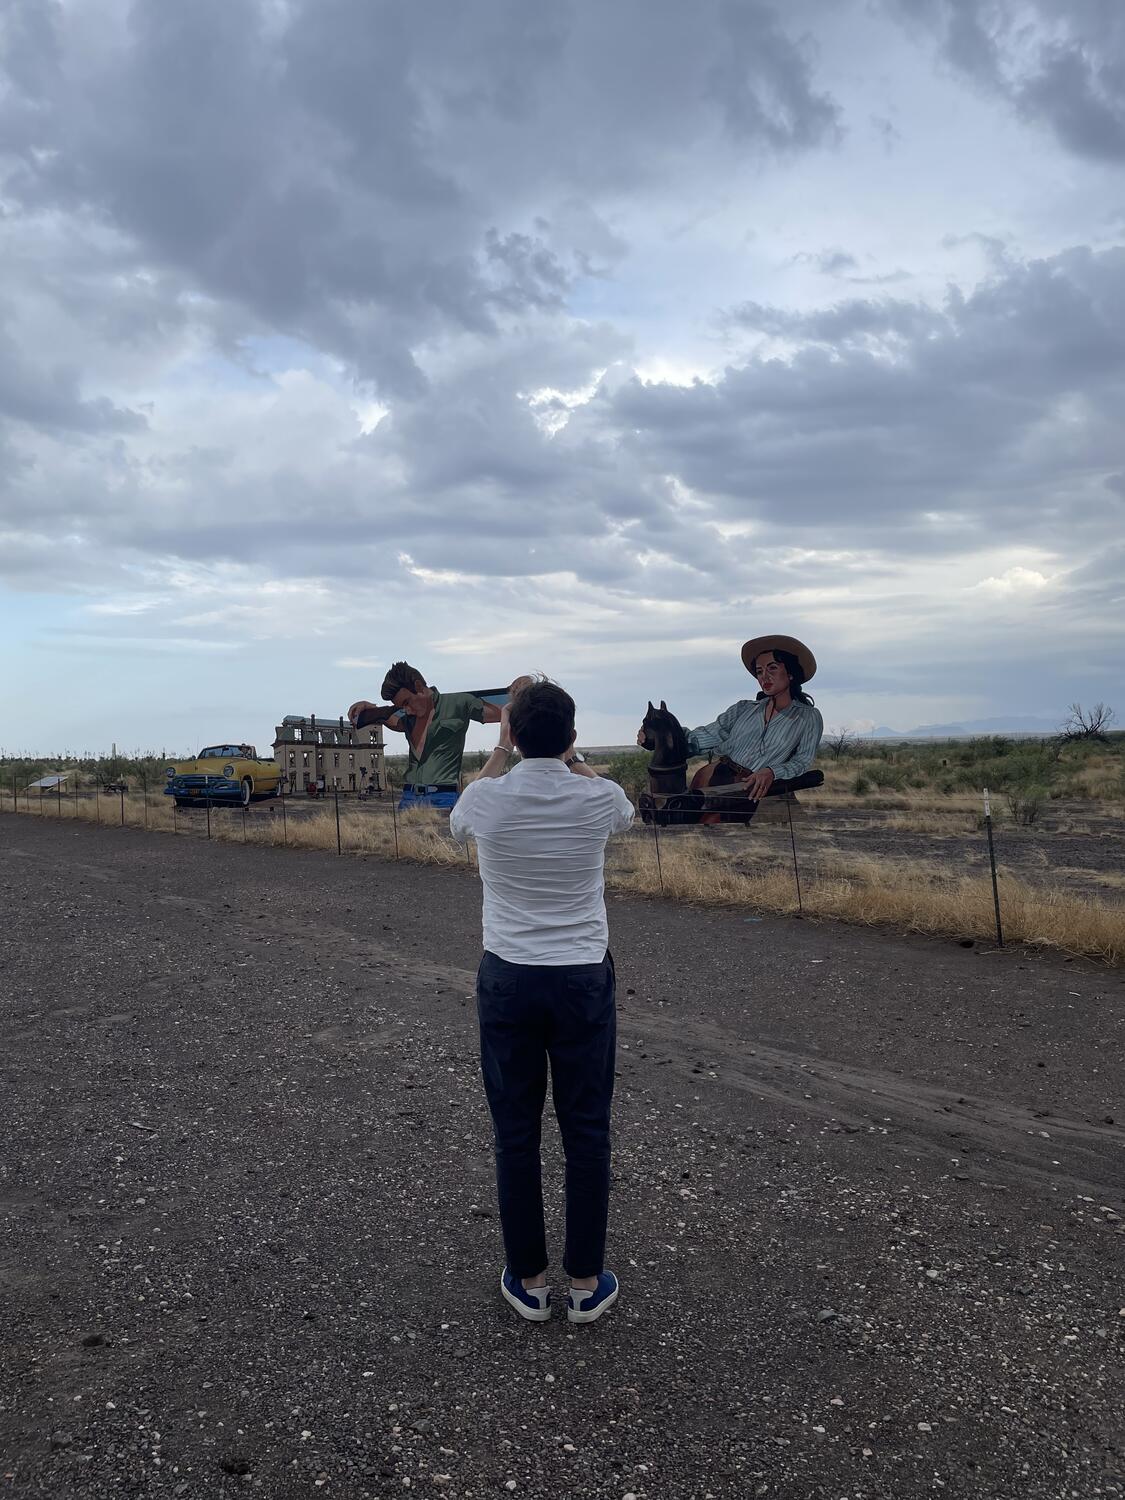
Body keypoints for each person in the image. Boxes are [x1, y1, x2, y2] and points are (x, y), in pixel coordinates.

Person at [450, 680, 634, 1325]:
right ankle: (585, 1281)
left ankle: (528, 1278)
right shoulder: (599, 796)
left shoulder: (485, 800)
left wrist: (501, 754)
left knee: (515, 1130)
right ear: (573, 735)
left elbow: (453, 825)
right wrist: (572, 760)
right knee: (586, 1128)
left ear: (514, 734)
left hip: (509, 976)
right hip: (582, 974)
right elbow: (624, 812)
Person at [638, 634, 822, 822]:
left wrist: (772, 771)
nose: (764, 677)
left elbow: (802, 760)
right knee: (689, 822)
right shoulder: (743, 709)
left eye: (772, 668)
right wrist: (665, 736)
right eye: (759, 671)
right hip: (713, 775)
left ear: (790, 673)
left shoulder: (808, 717)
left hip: (750, 786)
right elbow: (707, 735)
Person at [348, 665, 530, 811]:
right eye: (401, 706)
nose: (407, 709)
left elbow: (502, 713)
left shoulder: (459, 703)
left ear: (419, 687)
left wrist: (525, 693)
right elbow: (392, 721)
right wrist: (367, 709)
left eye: (407, 702)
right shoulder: (407, 718)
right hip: (408, 798)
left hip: (443, 798)